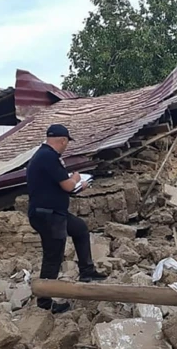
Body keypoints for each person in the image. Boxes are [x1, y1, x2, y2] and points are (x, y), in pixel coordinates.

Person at [26, 124, 106, 314]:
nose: (66, 146)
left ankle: (87, 272)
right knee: (53, 255)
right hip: (48, 215)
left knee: (79, 229)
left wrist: (73, 183)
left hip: (54, 212)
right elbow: (68, 186)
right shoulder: (49, 157)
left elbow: (59, 185)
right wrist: (78, 178)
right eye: (67, 143)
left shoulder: (44, 155)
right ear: (63, 140)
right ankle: (45, 302)